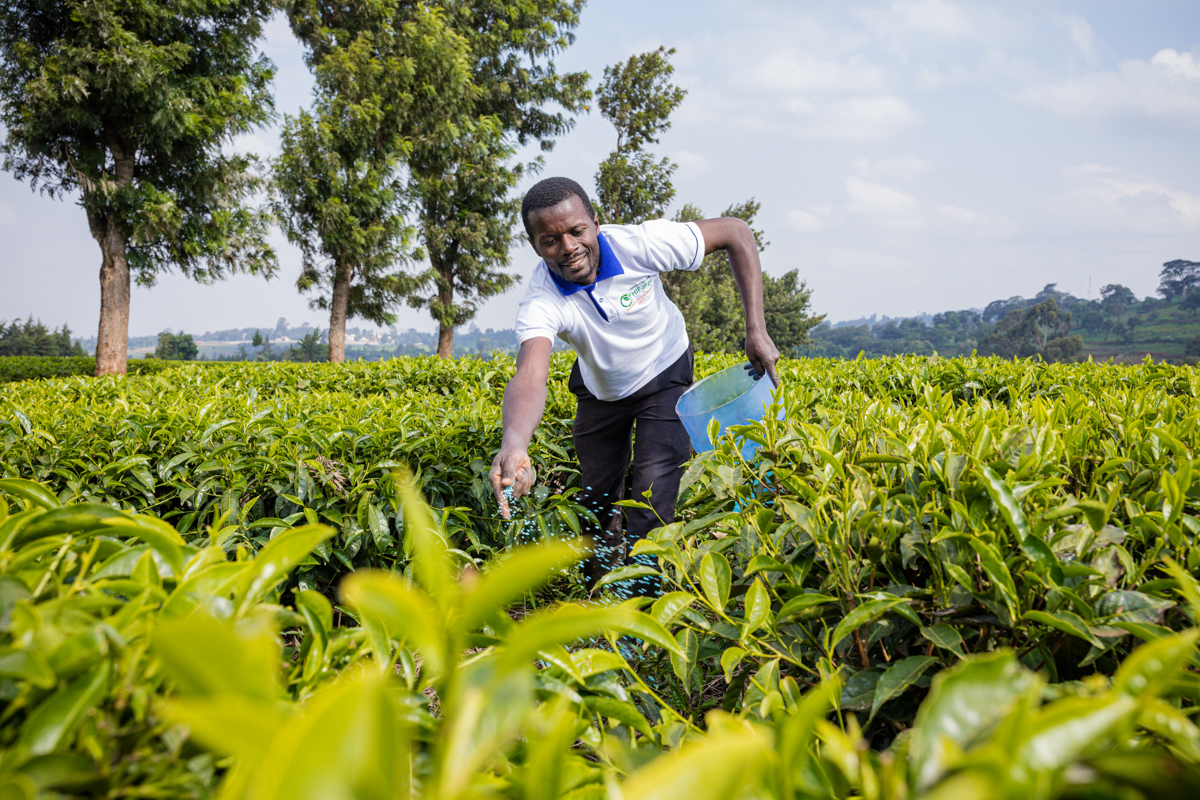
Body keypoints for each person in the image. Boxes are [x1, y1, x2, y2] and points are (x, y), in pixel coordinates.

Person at [489, 176, 780, 593]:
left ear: (595, 223)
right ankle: (602, 590)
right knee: (597, 497)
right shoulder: (542, 298)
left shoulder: (641, 244)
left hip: (664, 374)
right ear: (536, 246)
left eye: (576, 231)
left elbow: (735, 232)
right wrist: (515, 442)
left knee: (651, 494)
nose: (568, 247)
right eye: (550, 240)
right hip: (601, 388)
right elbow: (530, 373)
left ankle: (641, 607)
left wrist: (756, 328)